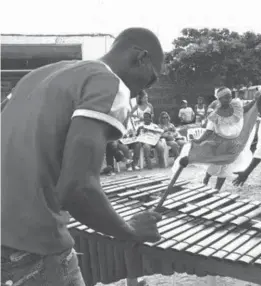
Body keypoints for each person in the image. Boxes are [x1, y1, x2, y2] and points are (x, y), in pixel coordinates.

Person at [1, 27, 164, 285]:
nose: (143, 91)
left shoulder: (38, 75)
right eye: (151, 79)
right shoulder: (111, 84)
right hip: (31, 245)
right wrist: (130, 230)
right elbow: (77, 189)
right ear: (140, 57)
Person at [195, 87, 257, 191]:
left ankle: (217, 189)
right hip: (219, 143)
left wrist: (255, 101)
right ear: (220, 99)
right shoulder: (215, 114)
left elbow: (245, 109)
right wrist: (199, 140)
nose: (229, 99)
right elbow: (209, 130)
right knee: (216, 165)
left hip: (233, 143)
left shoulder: (236, 109)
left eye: (230, 97)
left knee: (226, 167)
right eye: (226, 98)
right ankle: (206, 180)